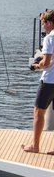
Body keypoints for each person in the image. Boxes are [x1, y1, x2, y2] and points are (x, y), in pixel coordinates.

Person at [23, 9, 54, 154]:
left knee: (38, 112)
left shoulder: (49, 38)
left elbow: (46, 63)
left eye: (43, 23)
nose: (43, 27)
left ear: (49, 23)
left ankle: (35, 146)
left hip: (49, 81)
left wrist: (37, 66)